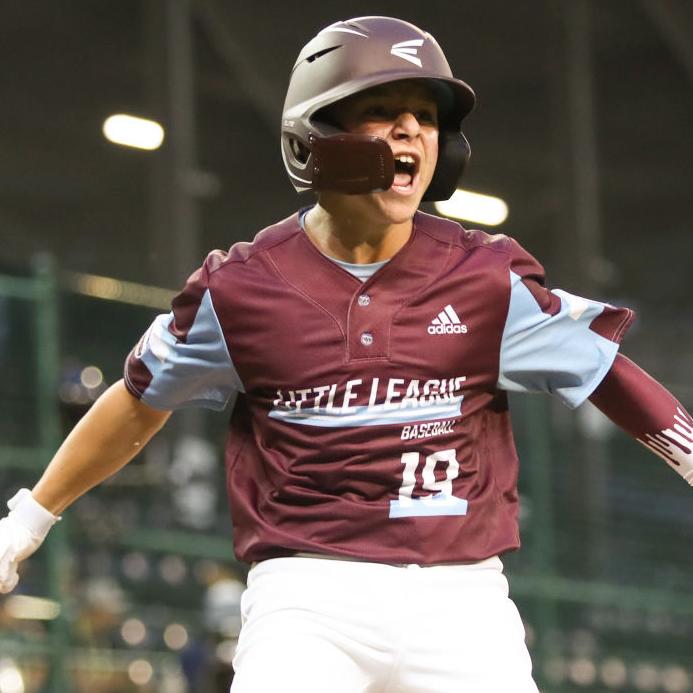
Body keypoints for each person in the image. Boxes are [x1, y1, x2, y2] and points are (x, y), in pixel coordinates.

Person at [1, 15, 692, 692]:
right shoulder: (238, 288)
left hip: (461, 598)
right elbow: (136, 401)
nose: (410, 131)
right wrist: (25, 524)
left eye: (425, 116)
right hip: (306, 596)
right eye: (382, 110)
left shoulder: (488, 278)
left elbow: (610, 377)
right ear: (312, 139)